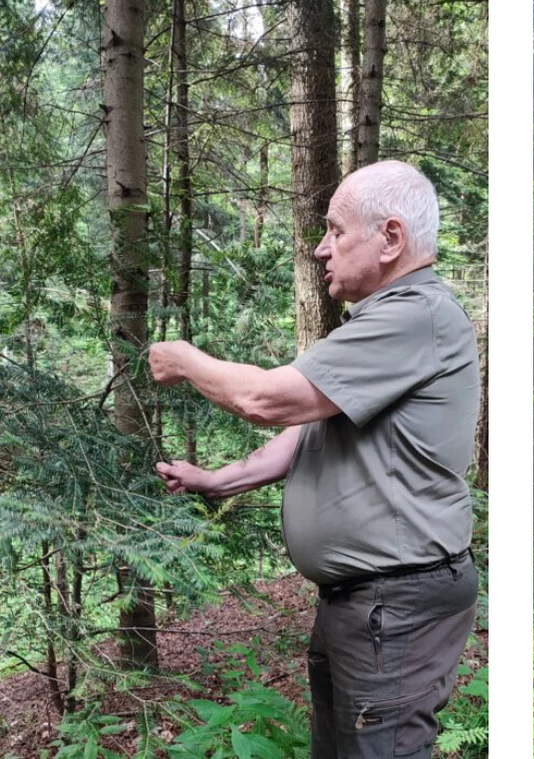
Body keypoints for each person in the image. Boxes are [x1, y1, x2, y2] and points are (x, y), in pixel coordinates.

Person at [149, 160, 481, 758]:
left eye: (335, 230)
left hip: (394, 603)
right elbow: (307, 429)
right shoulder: (384, 322)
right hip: (365, 603)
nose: (321, 250)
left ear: (391, 239)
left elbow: (266, 399)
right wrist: (220, 479)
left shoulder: (414, 316)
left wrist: (183, 359)